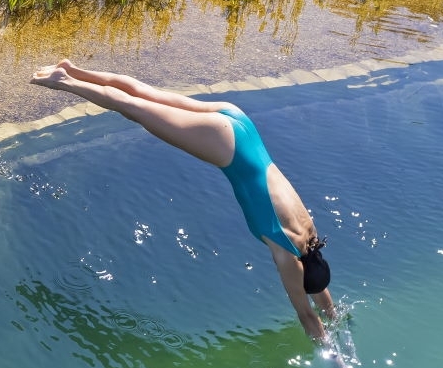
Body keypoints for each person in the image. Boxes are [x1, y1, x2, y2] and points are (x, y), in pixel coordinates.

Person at [30, 59, 337, 341]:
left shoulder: (309, 233)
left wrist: (334, 316)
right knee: (133, 107)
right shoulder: (286, 257)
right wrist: (334, 357)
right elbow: (307, 316)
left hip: (240, 125)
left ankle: (72, 69)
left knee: (144, 93)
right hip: (224, 146)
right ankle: (65, 80)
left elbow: (318, 288)